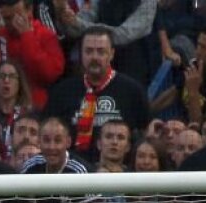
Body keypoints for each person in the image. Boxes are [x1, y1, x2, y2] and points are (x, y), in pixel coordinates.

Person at [45, 25, 148, 157]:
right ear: (80, 54)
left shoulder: (132, 91)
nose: (94, 57)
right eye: (88, 51)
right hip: (73, 172)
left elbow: (144, 135)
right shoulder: (62, 91)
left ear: (111, 54)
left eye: (101, 52)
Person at [0, 0, 63, 111]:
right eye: (6, 18)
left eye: (16, 17)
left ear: (29, 10)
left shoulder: (45, 35)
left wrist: (27, 36)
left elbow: (48, 74)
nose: (10, 23)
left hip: (35, 109)